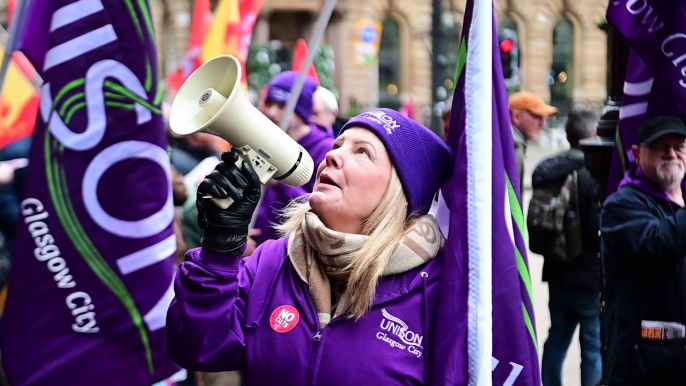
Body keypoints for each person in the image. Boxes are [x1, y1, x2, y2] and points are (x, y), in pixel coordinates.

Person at [166, 109, 454, 384]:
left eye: (362, 152)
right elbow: (197, 347)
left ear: (402, 192)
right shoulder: (274, 260)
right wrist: (219, 250)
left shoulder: (438, 290)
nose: (332, 155)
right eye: (338, 144)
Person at [600, 116, 686, 385]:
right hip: (644, 362)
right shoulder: (621, 206)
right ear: (637, 154)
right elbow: (661, 243)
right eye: (661, 146)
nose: (671, 154)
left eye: (679, 146)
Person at [533, 109, 602, 386]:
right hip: (588, 275)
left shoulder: (547, 169)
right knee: (593, 344)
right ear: (594, 135)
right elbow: (597, 231)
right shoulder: (591, 175)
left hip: (557, 270)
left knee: (557, 338)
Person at [251, 72, 335, 248]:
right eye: (269, 103)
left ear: (302, 111)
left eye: (283, 105)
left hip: (290, 253)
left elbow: (321, 210)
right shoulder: (262, 142)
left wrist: (279, 181)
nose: (272, 112)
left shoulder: (326, 150)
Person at [508, 91, 558, 186]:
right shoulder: (513, 149)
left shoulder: (512, 144)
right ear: (517, 117)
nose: (543, 124)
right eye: (537, 116)